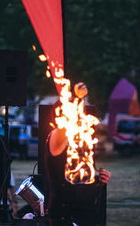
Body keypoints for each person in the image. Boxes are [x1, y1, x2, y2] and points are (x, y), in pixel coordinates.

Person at [46, 82, 111, 226]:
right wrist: (75, 96)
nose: (80, 115)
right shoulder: (56, 136)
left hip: (85, 209)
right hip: (64, 211)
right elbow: (63, 129)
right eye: (76, 110)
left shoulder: (80, 138)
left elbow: (80, 174)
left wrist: (99, 177)